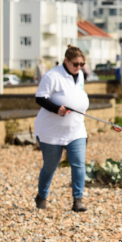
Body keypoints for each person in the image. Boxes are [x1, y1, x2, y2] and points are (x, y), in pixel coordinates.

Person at [34, 46, 89, 212]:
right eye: (75, 64)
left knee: (79, 164)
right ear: (66, 60)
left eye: (82, 64)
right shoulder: (52, 76)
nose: (79, 67)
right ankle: (41, 196)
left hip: (76, 129)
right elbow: (40, 98)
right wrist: (57, 109)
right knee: (50, 166)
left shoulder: (80, 75)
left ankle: (77, 200)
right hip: (51, 131)